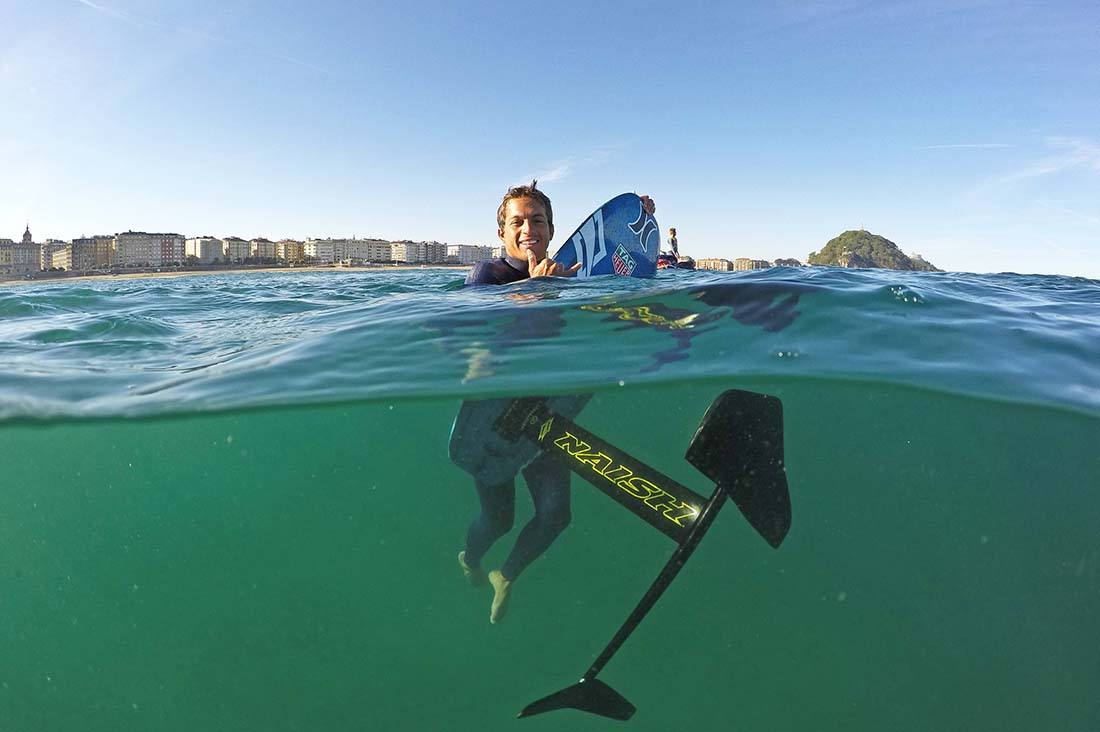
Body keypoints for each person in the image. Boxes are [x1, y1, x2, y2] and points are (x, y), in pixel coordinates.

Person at [453, 180, 655, 624]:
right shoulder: (487, 277)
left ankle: (505, 575)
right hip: (498, 422)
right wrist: (534, 295)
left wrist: (635, 225)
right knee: (499, 520)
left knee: (556, 515)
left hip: (546, 415)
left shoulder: (570, 277)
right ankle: (470, 556)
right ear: (502, 233)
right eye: (517, 222)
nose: (528, 228)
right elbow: (478, 351)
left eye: (537, 220)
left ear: (551, 229)